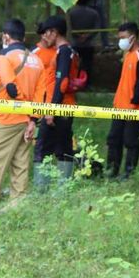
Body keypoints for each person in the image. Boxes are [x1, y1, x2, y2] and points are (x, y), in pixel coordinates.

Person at [0, 19, 45, 201]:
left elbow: (11, 88)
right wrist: (33, 119)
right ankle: (18, 204)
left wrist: (20, 104)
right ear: (23, 37)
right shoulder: (37, 60)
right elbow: (41, 95)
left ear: (6, 37)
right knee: (20, 165)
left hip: (7, 118)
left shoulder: (4, 56)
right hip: (27, 121)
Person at [34, 15, 80, 179]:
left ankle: (43, 188)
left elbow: (62, 82)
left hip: (59, 106)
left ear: (55, 32)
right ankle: (61, 186)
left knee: (44, 147)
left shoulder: (64, 51)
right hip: (62, 105)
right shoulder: (65, 51)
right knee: (63, 146)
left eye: (47, 32)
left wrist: (52, 109)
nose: (45, 36)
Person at [106, 22, 139, 179]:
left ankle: (129, 173)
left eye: (123, 38)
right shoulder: (128, 56)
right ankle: (112, 170)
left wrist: (134, 103)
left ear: (133, 37)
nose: (121, 41)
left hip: (134, 108)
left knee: (130, 140)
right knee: (113, 138)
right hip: (119, 106)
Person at [68, 0, 100, 85]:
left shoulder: (71, 12)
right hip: (88, 44)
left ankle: (73, 82)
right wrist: (87, 36)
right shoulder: (94, 13)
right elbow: (97, 28)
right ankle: (86, 83)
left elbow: (69, 27)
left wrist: (78, 36)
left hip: (75, 43)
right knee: (87, 65)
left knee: (73, 64)